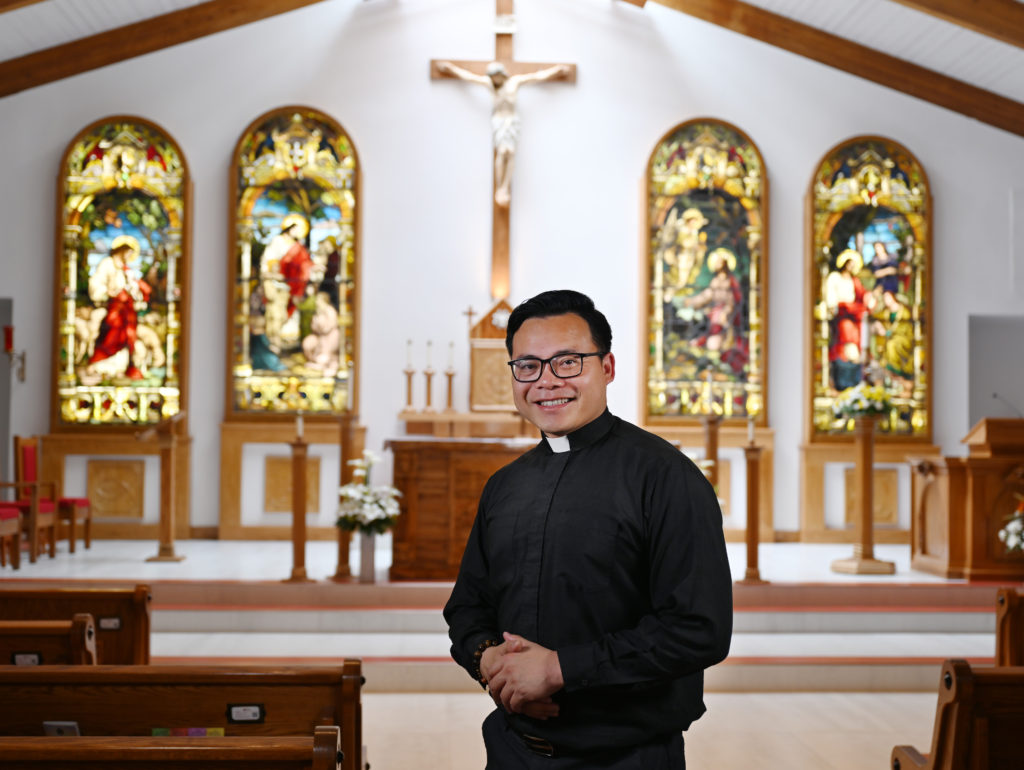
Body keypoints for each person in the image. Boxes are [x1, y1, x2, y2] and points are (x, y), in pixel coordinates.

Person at [444, 290, 732, 768]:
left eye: (568, 362)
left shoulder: (666, 478)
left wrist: (559, 669)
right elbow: (467, 607)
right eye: (528, 366)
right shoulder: (504, 485)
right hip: (512, 751)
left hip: (625, 757)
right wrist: (489, 662)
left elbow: (699, 629)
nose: (546, 381)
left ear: (608, 367)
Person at [436, 60, 571, 207]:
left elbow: (537, 76)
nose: (494, 79)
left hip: (511, 121)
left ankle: (505, 187)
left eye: (495, 76)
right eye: (492, 77)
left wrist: (556, 71)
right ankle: (499, 188)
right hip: (500, 121)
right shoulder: (490, 85)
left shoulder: (514, 82)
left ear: (501, 74)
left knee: (510, 151)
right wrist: (451, 69)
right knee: (502, 151)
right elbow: (469, 77)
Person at [86, 235, 152, 380]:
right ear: (121, 250)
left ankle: (124, 367)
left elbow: (134, 288)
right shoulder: (107, 264)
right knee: (113, 327)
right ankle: (102, 364)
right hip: (113, 307)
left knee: (128, 334)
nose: (129, 256)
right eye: (128, 252)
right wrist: (106, 292)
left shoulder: (126, 270)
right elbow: (96, 283)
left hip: (127, 310)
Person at [824, 248, 875, 391]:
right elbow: (831, 298)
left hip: (854, 315)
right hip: (842, 314)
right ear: (845, 264)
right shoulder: (835, 277)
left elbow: (863, 295)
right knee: (845, 337)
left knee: (856, 341)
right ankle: (843, 374)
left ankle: (854, 374)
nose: (852, 266)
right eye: (850, 263)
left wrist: (870, 298)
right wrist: (835, 307)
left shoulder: (855, 281)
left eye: (854, 264)